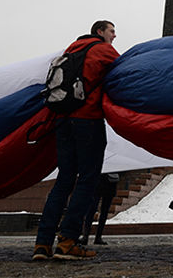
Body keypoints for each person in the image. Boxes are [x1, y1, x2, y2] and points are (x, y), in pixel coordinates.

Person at [33, 20, 119, 261]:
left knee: (64, 180)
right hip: (87, 120)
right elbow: (125, 71)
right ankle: (68, 241)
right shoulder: (102, 49)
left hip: (62, 120)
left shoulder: (70, 50)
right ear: (100, 32)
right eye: (111, 30)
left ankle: (42, 243)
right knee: (88, 179)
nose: (115, 35)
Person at [79, 172, 120, 246]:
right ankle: (87, 236)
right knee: (93, 209)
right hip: (100, 180)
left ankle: (94, 237)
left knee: (102, 211)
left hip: (109, 181)